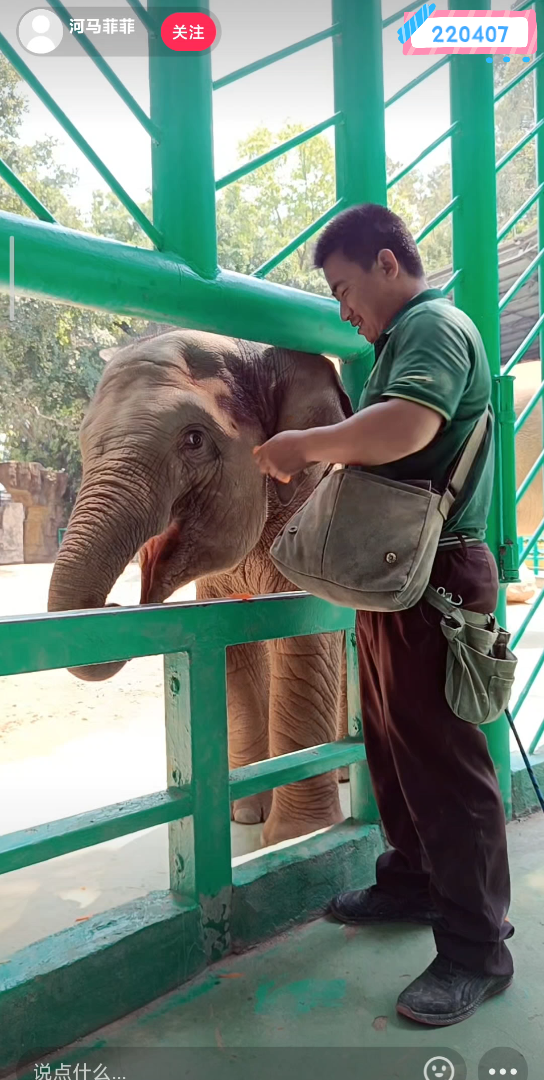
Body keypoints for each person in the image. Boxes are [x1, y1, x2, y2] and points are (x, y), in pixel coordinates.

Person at [253, 203, 514, 1027]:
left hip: (434, 581)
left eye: (344, 288)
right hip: (396, 579)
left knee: (444, 763)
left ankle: (477, 949)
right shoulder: (398, 338)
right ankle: (411, 881)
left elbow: (407, 426)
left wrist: (306, 446)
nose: (342, 309)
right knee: (394, 745)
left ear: (389, 264)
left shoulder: (433, 327)